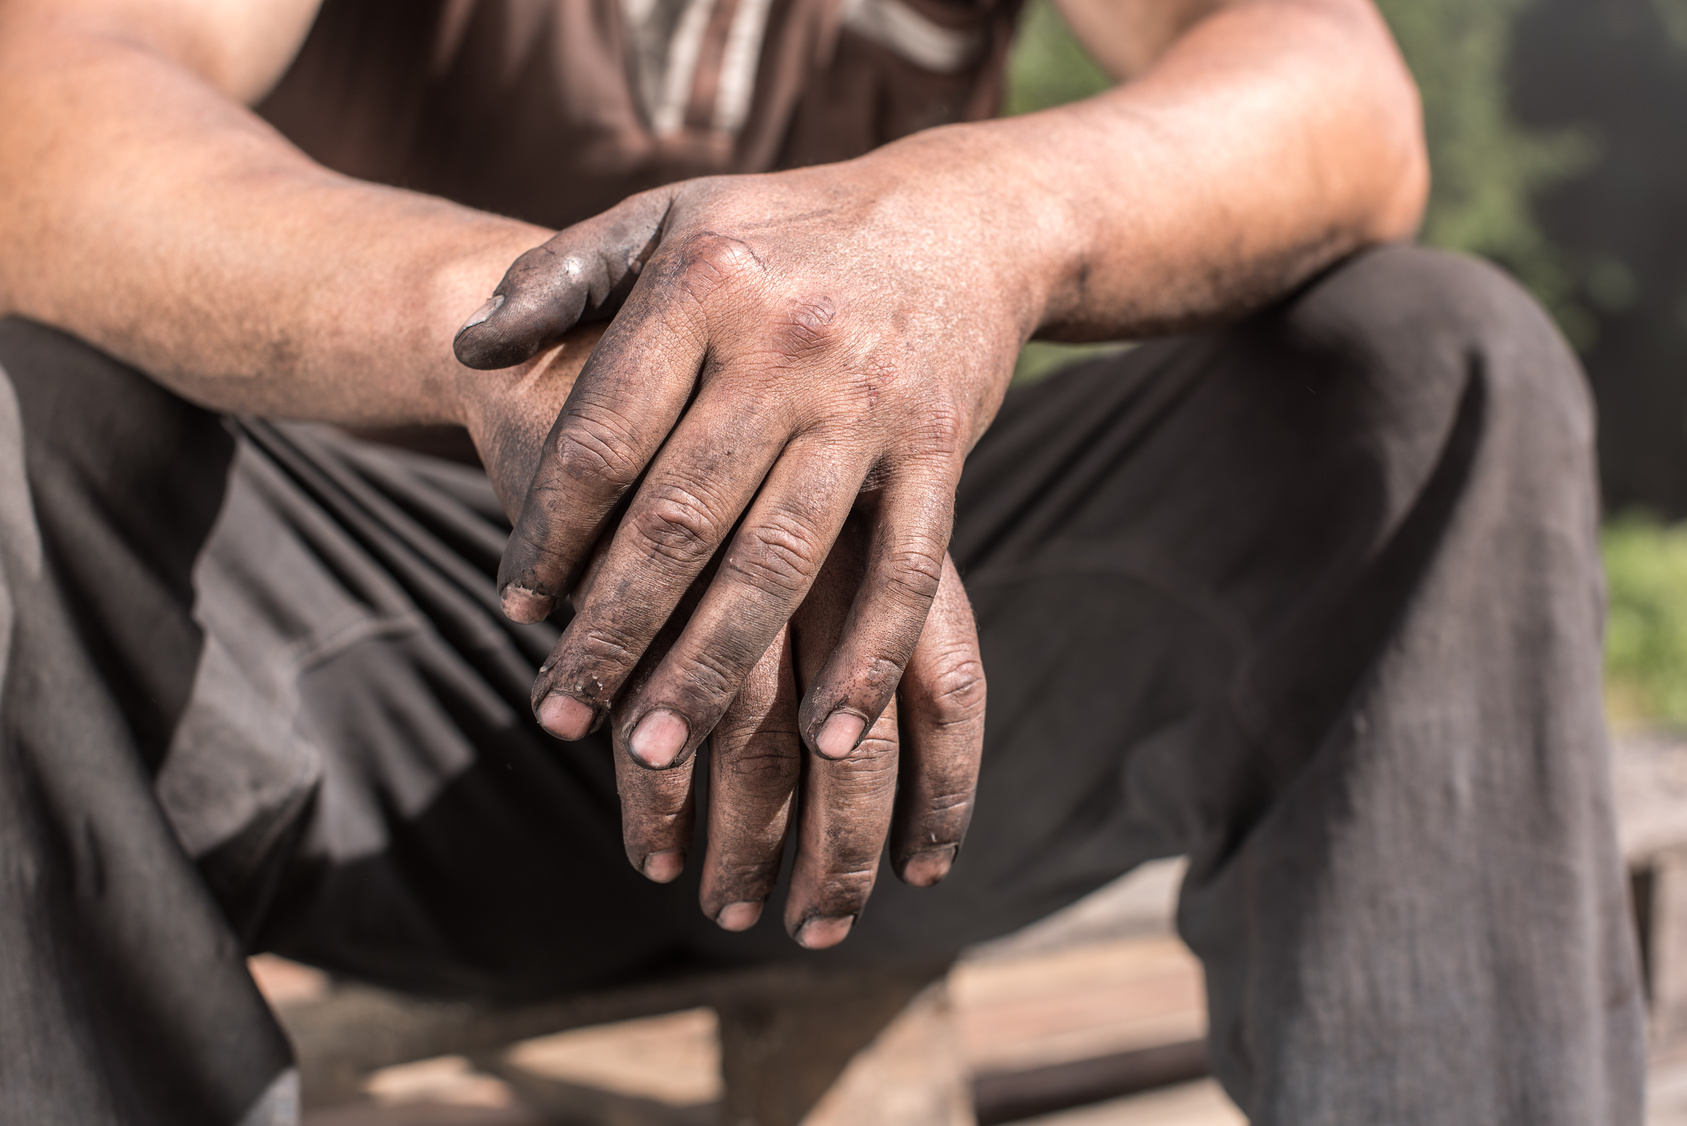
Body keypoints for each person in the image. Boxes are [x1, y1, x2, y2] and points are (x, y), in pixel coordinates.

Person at [0, 0, 1645, 1122]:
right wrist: (537, 345)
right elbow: (49, 93)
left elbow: (1339, 90)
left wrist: (962, 234)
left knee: (1436, 366)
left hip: (887, 717)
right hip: (389, 679)